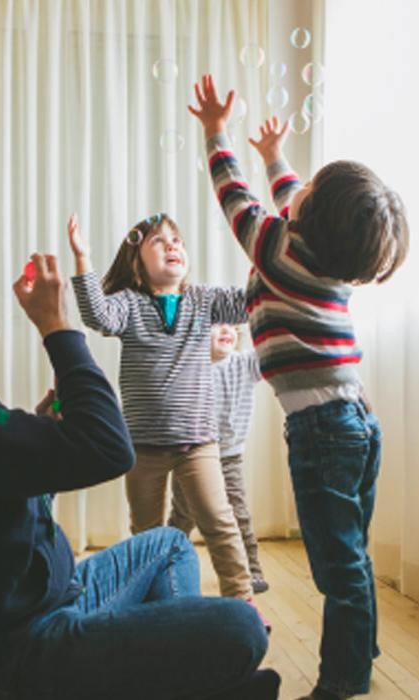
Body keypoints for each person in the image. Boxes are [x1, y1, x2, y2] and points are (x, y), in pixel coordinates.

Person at [0, 241, 280, 700]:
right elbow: (109, 448)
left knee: (169, 546)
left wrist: (42, 435)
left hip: (51, 601)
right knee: (242, 627)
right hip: (13, 657)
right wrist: (56, 325)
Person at [188, 74, 409, 700]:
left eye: (306, 192)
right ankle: (360, 646)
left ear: (308, 219)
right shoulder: (323, 256)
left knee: (337, 568)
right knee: (352, 557)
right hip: (355, 422)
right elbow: (292, 197)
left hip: (323, 430)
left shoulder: (279, 251)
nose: (295, 190)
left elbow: (237, 199)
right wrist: (276, 157)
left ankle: (343, 681)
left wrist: (217, 134)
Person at [68, 212, 260, 605]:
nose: (173, 245)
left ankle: (243, 603)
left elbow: (249, 305)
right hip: (143, 447)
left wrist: (267, 256)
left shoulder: (203, 300)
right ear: (137, 264)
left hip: (199, 442)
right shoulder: (127, 304)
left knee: (220, 523)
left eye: (178, 240)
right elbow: (96, 316)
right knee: (147, 533)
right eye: (159, 241)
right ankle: (154, 606)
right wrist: (83, 260)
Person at [170, 323, 269, 594]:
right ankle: (164, 566)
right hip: (191, 456)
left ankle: (251, 570)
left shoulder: (245, 363)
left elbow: (268, 348)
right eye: (215, 326)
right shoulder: (190, 367)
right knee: (183, 514)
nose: (225, 330)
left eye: (230, 326)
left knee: (238, 513)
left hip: (229, 456)